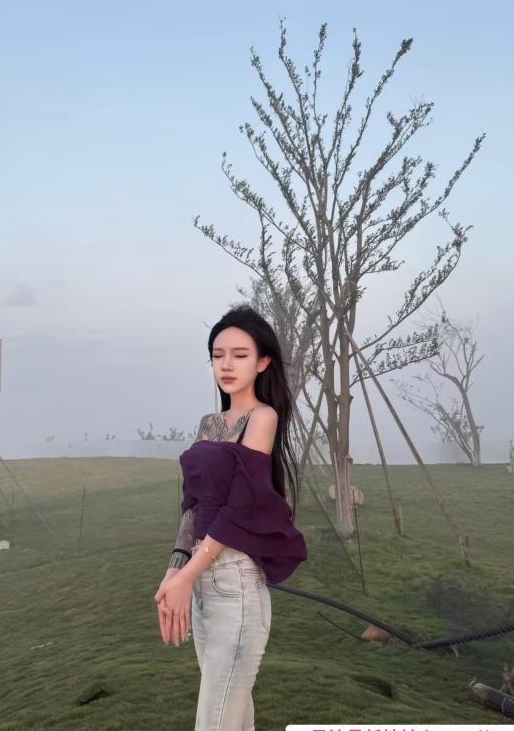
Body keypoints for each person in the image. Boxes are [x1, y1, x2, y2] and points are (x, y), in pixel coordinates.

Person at [153, 304, 307, 731]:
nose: (226, 364)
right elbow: (193, 506)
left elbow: (239, 506)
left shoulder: (263, 417)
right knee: (234, 720)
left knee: (215, 721)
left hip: (235, 582)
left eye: (240, 355)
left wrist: (187, 575)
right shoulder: (209, 423)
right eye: (218, 355)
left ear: (262, 362)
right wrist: (175, 571)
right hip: (203, 583)